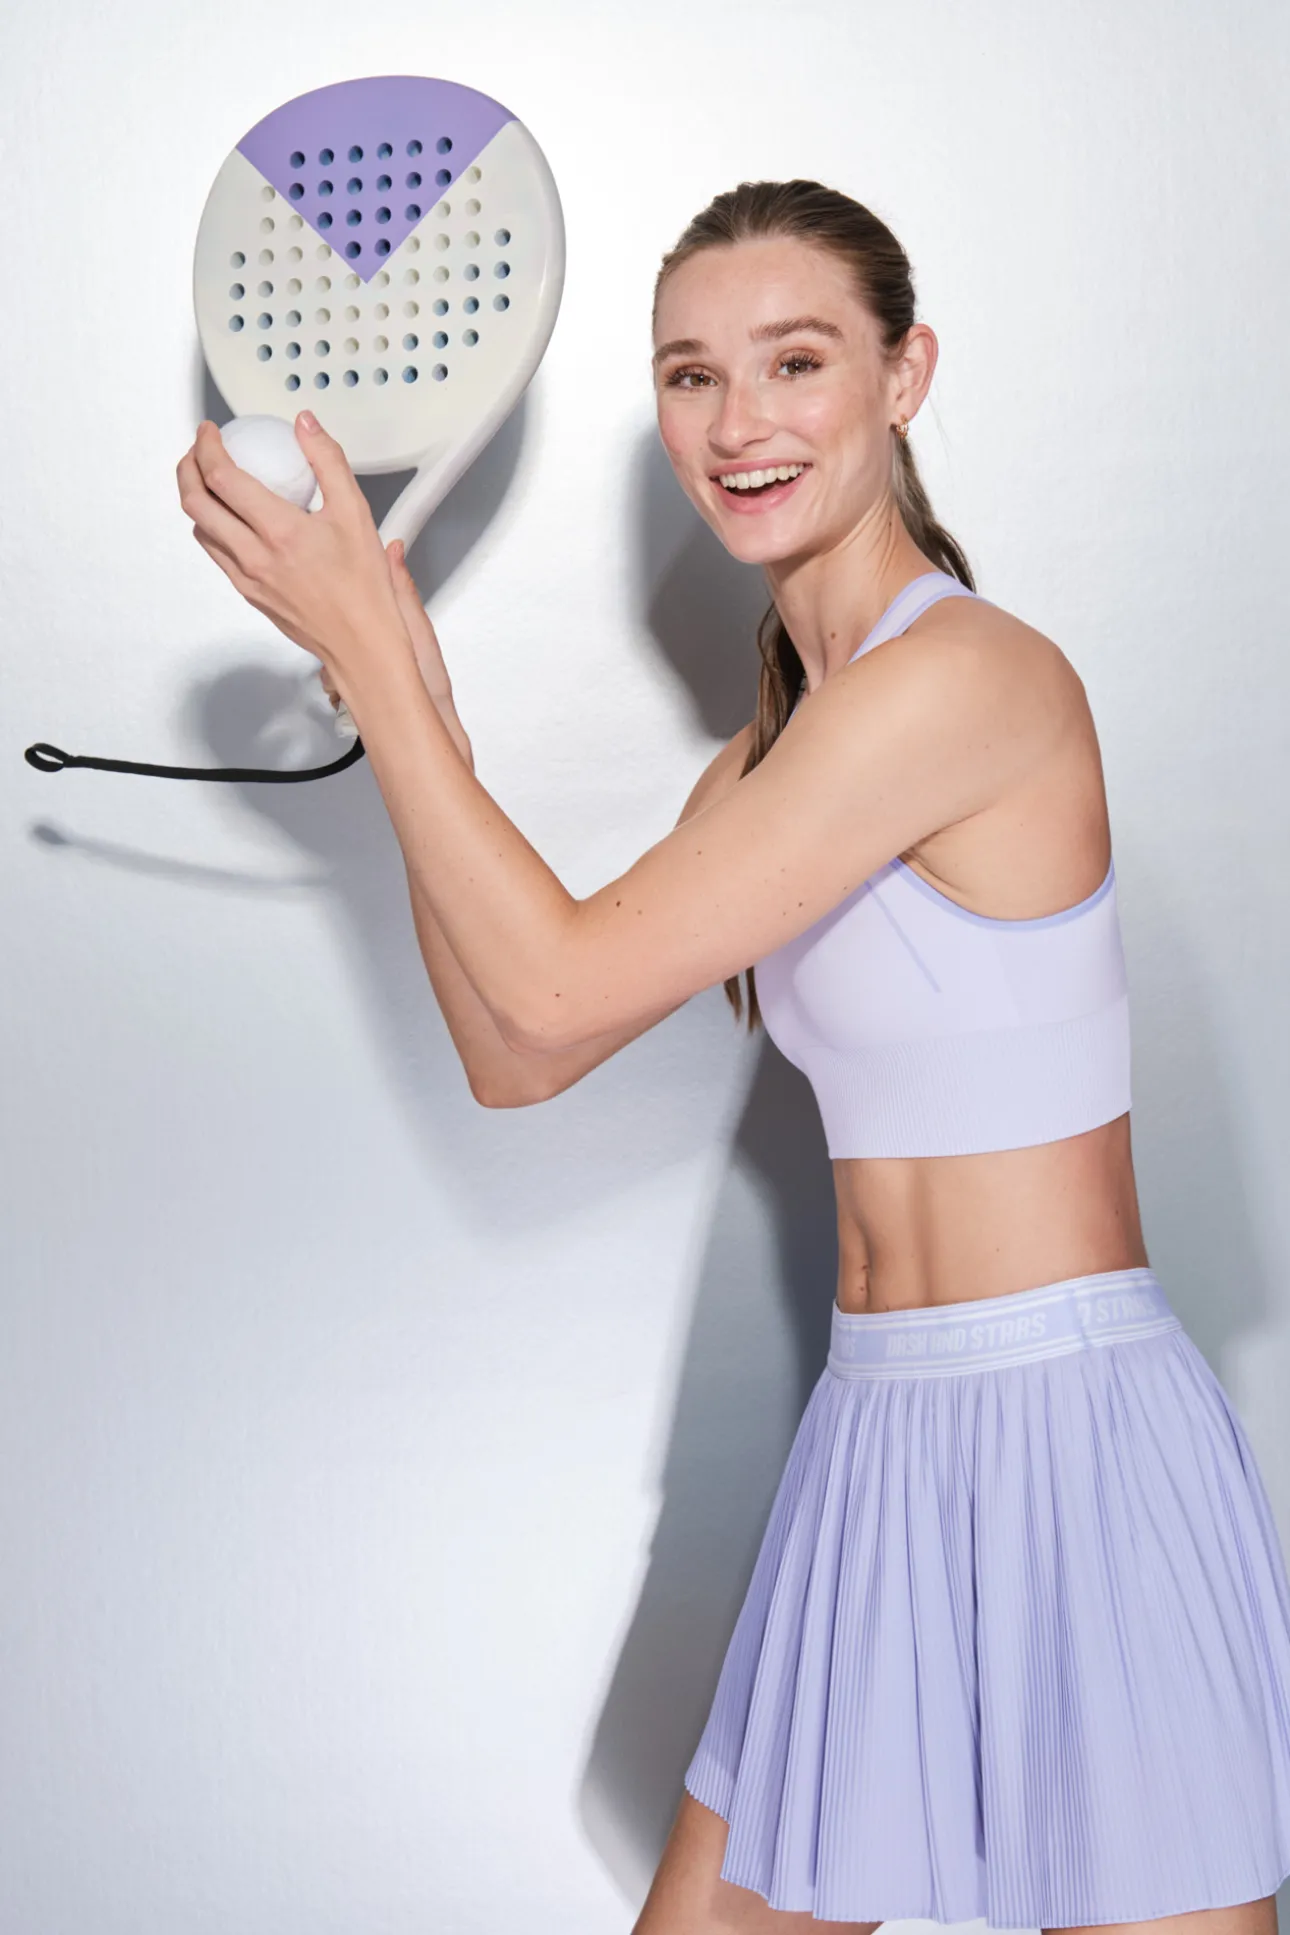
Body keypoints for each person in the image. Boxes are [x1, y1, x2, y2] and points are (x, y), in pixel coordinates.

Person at [180, 178, 1290, 1935]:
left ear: (902, 375)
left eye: (795, 360)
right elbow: (517, 1048)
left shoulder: (966, 683)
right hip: (875, 1440)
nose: (737, 421)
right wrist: (409, 699)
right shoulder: (764, 766)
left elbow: (549, 988)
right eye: (689, 375)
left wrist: (377, 668)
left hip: (1072, 1430)